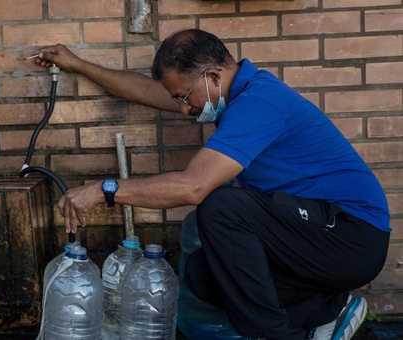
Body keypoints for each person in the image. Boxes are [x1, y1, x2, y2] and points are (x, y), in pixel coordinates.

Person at [31, 29, 390, 340]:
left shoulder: (259, 102)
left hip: (351, 236)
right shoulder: (230, 96)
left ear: (214, 76)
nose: (185, 110)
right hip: (312, 238)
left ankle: (279, 336)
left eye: (185, 97)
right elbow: (143, 90)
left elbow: (193, 186)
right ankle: (329, 311)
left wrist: (103, 190)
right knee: (203, 273)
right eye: (178, 100)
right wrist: (76, 63)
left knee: (220, 207)